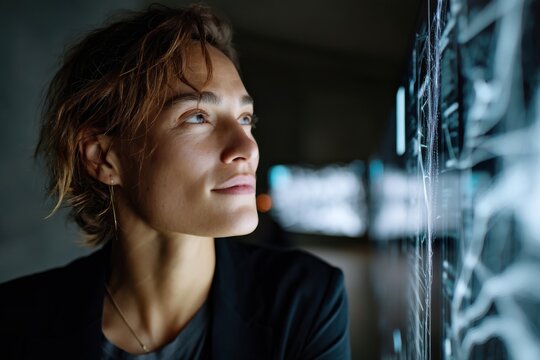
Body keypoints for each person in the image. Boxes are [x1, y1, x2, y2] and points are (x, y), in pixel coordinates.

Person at [0, 4, 351, 359]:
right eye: (198, 116)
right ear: (103, 158)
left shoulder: (305, 301)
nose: (246, 147)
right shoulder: (15, 322)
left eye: (245, 118)